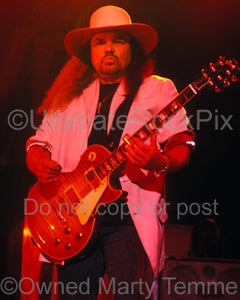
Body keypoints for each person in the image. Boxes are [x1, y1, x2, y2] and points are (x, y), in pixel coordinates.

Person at [26, 5, 195, 300]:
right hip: (72, 224)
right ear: (89, 51)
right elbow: (39, 142)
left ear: (133, 48)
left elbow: (181, 142)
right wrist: (36, 160)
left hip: (128, 222)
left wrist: (162, 161)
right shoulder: (68, 97)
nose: (109, 49)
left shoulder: (158, 89)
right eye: (100, 42)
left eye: (118, 41)